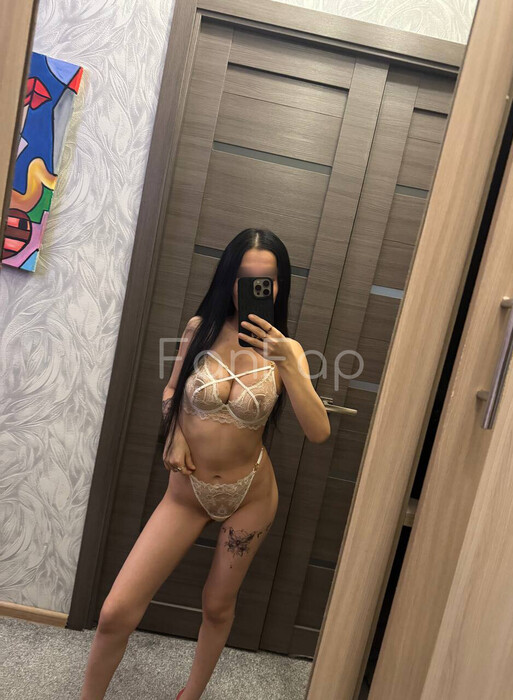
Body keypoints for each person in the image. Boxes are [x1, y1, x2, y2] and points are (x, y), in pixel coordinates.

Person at [80, 228, 331, 699]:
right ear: (227, 278)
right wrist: (174, 433)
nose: (253, 289)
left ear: (280, 286)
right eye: (243, 278)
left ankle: (190, 695)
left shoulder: (290, 351)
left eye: (266, 280)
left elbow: (319, 432)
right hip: (187, 493)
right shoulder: (201, 330)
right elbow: (172, 390)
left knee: (217, 606)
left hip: (250, 496)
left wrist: (289, 365)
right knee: (116, 611)